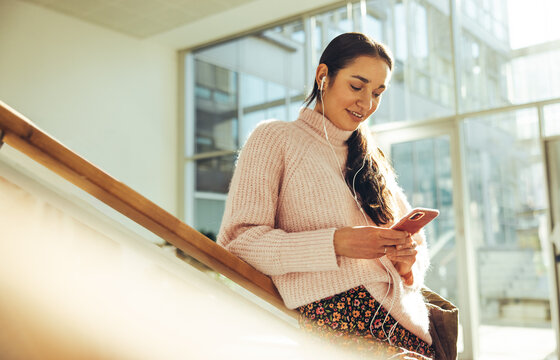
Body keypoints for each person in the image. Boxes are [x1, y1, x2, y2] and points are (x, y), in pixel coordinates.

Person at [217, 32, 434, 359]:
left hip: (410, 328)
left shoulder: (374, 161)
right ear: (323, 77)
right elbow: (239, 243)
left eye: (378, 92)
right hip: (340, 325)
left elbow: (417, 255)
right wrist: (338, 242)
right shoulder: (275, 139)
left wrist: (406, 265)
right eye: (356, 86)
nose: (367, 103)